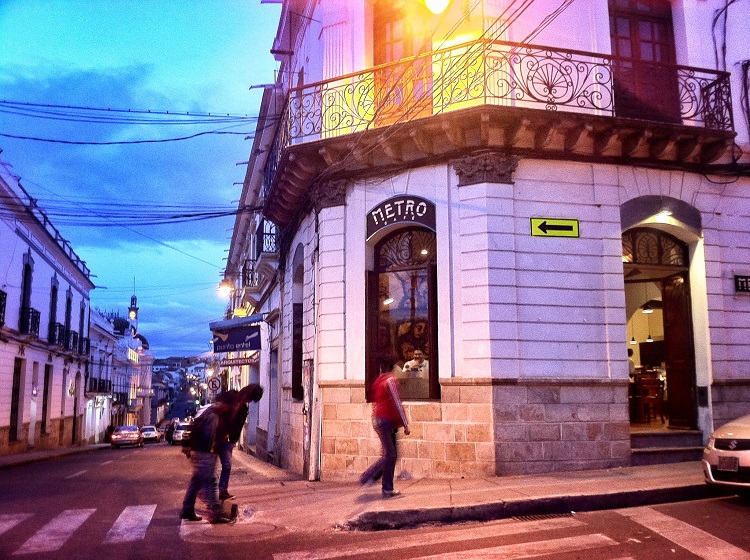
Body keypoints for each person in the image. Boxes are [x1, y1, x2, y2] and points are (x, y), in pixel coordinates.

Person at [360, 355, 410, 498]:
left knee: (392, 454)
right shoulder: (391, 381)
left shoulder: (378, 381)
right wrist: (406, 424)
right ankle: (377, 482)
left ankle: (376, 480)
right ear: (393, 368)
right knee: (390, 454)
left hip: (380, 420)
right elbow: (397, 402)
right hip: (385, 421)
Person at [179, 398, 233, 524]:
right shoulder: (213, 416)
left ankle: (187, 509)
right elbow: (208, 435)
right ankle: (215, 513)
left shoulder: (207, 412)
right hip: (204, 453)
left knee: (196, 481)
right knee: (210, 482)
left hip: (199, 451)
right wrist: (211, 450)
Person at [216, 384, 264, 500]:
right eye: (249, 398)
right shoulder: (230, 397)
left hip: (228, 441)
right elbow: (218, 414)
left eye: (251, 400)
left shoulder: (243, 408)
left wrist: (233, 440)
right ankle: (207, 492)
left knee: (227, 465)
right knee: (210, 466)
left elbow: (237, 426)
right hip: (217, 437)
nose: (248, 401)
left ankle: (223, 491)